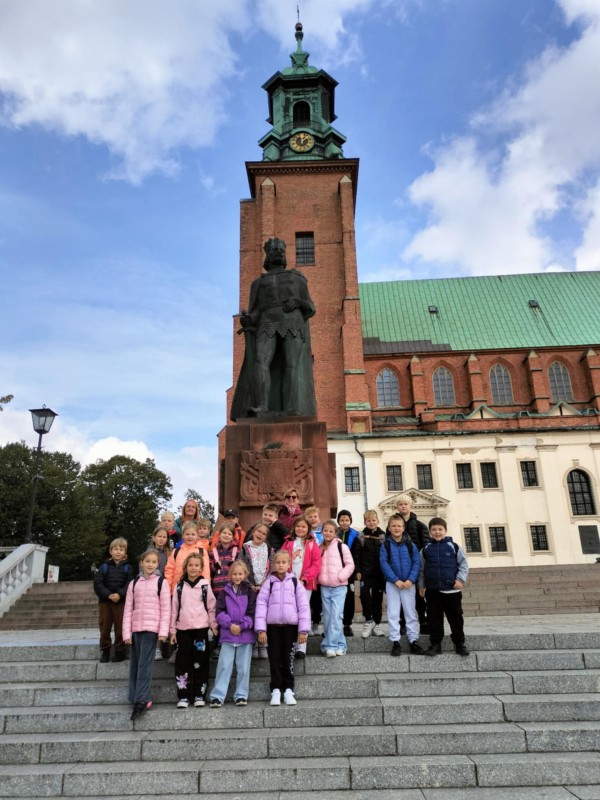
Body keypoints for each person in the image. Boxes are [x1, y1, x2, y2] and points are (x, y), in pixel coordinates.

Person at [230, 237, 317, 419]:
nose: (277, 252)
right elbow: (255, 312)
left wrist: (298, 302)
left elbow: (310, 307)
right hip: (267, 322)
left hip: (293, 321)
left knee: (291, 364)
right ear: (267, 257)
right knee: (261, 362)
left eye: (280, 250)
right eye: (273, 250)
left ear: (284, 255)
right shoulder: (258, 283)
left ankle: (292, 408)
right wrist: (248, 320)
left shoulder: (296, 277)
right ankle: (261, 406)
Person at [255, 550, 311, 706]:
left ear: (289, 564)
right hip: (272, 628)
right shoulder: (269, 582)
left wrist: (303, 630)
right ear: (274, 564)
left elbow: (303, 606)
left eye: (283, 562)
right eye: (278, 562)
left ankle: (288, 689)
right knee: (274, 659)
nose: (280, 565)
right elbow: (261, 605)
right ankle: (275, 689)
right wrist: (261, 629)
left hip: (290, 628)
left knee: (288, 659)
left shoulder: (295, 583)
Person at [122, 549, 171, 720]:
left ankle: (142, 699)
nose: (150, 564)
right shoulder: (134, 583)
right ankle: (135, 695)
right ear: (141, 563)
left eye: (154, 562)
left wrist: (164, 631)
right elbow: (128, 609)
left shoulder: (161, 582)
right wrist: (126, 633)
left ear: (158, 564)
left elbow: (166, 609)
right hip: (136, 629)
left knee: (145, 665)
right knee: (135, 664)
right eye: (147, 561)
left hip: (152, 630)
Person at [169, 552, 218, 708]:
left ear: (201, 568)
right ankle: (183, 696)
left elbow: (211, 607)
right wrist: (172, 630)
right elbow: (174, 609)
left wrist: (214, 625)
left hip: (200, 630)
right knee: (183, 663)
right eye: (190, 565)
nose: (193, 568)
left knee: (201, 663)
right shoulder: (179, 586)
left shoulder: (205, 585)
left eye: (196, 565)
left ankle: (199, 694)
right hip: (183, 630)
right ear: (185, 567)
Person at [418, 517, 470, 657]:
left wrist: (460, 579)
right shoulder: (426, 549)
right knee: (434, 619)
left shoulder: (454, 546)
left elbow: (464, 565)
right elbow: (421, 569)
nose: (437, 532)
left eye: (440, 529)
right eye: (434, 530)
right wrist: (421, 585)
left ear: (445, 531)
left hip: (452, 590)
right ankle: (436, 644)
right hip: (433, 590)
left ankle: (459, 644)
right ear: (430, 532)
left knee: (456, 618)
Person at [210, 560, 257, 707]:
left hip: (245, 635)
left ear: (245, 575)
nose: (237, 576)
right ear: (230, 575)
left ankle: (241, 695)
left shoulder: (250, 592)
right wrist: (230, 625)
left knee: (243, 667)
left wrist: (242, 626)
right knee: (224, 665)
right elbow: (219, 612)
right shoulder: (224, 592)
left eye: (240, 574)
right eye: (235, 574)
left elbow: (252, 612)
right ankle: (218, 695)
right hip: (228, 634)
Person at [380, 514, 424, 656]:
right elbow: (384, 563)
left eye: (399, 525)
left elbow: (417, 563)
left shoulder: (411, 545)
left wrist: (411, 580)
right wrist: (395, 580)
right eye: (393, 526)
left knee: (410, 612)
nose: (396, 528)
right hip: (393, 584)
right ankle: (395, 641)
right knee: (393, 612)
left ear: (403, 527)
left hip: (408, 585)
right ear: (389, 528)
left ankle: (413, 641)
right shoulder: (385, 545)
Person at [281, 514, 322, 658]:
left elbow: (316, 563)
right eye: (298, 526)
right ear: (294, 527)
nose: (300, 528)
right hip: (289, 583)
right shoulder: (288, 542)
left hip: (305, 584)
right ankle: (290, 644)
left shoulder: (312, 543)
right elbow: (281, 560)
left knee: (303, 613)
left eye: (303, 526)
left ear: (308, 528)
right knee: (290, 613)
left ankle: (301, 647)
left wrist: (305, 579)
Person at [318, 520, 355, 658]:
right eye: (325, 530)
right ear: (322, 532)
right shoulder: (320, 548)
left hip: (339, 587)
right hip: (325, 587)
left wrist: (341, 577)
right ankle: (341, 645)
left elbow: (350, 565)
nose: (328, 533)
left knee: (336, 616)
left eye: (331, 531)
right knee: (328, 618)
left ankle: (329, 646)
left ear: (335, 533)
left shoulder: (342, 546)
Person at [93, 537, 131, 663]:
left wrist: (120, 594)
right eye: (115, 549)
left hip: (121, 601)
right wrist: (108, 595)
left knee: (120, 627)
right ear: (110, 551)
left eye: (121, 549)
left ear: (125, 552)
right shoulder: (104, 567)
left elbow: (129, 583)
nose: (118, 552)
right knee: (104, 627)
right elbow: (98, 584)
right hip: (106, 602)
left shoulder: (128, 567)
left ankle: (119, 651)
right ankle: (105, 650)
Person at [396, 493, 430, 633]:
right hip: (400, 567)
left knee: (419, 595)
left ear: (410, 505)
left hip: (416, 566)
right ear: (397, 507)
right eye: (400, 504)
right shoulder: (393, 525)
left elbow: (426, 546)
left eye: (406, 504)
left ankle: (423, 620)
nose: (403, 506)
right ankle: (403, 623)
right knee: (402, 596)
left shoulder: (420, 525)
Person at [242, 522, 274, 659]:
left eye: (263, 533)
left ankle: (263, 644)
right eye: (258, 531)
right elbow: (241, 567)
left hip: (264, 588)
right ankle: (254, 644)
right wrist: (249, 584)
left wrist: (264, 584)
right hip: (250, 588)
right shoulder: (245, 548)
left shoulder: (268, 549)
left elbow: (273, 568)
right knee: (252, 615)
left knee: (264, 615)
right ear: (253, 532)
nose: (260, 534)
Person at [210, 524, 240, 659]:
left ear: (232, 536)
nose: (226, 536)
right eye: (224, 533)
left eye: (229, 534)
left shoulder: (236, 551)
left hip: (230, 589)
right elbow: (209, 570)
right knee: (219, 615)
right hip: (217, 588)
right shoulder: (213, 552)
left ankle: (228, 642)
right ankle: (218, 644)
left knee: (230, 616)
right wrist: (213, 566)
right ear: (219, 535)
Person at [358, 509, 386, 638]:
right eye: (368, 520)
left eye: (373, 520)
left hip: (380, 573)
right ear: (365, 522)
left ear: (378, 521)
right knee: (364, 595)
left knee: (377, 599)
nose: (371, 522)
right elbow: (357, 555)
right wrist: (358, 570)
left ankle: (377, 623)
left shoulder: (383, 536)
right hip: (366, 573)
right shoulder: (361, 536)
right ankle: (368, 620)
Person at [337, 509, 360, 637]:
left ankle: (347, 625)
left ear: (350, 521)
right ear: (338, 521)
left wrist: (356, 571)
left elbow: (356, 555)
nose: (344, 523)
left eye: (347, 520)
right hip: (335, 571)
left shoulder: (355, 536)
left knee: (349, 598)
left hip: (349, 572)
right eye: (342, 520)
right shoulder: (334, 534)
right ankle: (334, 624)